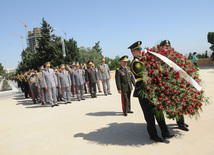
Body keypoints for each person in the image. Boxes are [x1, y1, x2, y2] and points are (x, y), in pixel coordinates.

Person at [129, 41, 174, 142]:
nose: (141, 51)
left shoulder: (142, 61)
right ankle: (153, 135)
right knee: (149, 115)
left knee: (159, 112)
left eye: (141, 49)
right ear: (133, 52)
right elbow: (144, 73)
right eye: (138, 50)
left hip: (151, 88)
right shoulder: (135, 63)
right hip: (143, 89)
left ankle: (165, 133)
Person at [161, 40, 189, 131]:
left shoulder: (174, 56)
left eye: (168, 46)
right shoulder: (161, 58)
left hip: (176, 82)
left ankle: (181, 122)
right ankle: (179, 122)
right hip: (168, 84)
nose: (167, 48)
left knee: (179, 103)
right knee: (174, 104)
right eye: (165, 46)